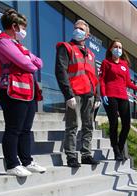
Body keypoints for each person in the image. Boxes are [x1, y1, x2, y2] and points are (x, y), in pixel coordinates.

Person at [0, 8, 46, 177]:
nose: (24, 31)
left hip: (27, 91)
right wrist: (28, 59)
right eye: (22, 27)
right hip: (11, 90)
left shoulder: (18, 45)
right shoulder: (1, 42)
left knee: (26, 129)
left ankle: (27, 161)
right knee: (13, 128)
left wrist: (28, 57)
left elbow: (39, 63)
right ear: (14, 26)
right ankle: (12, 164)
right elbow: (28, 64)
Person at [55, 19, 100, 168]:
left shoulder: (91, 54)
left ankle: (86, 154)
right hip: (74, 93)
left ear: (87, 34)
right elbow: (61, 71)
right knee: (72, 126)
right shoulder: (66, 48)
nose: (77, 30)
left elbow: (95, 76)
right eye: (76, 28)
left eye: (81, 29)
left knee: (88, 126)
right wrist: (68, 95)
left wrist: (97, 96)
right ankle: (71, 156)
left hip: (89, 94)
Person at [99, 39, 137, 161]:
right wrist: (103, 94)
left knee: (126, 125)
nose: (118, 49)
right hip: (110, 96)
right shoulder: (106, 63)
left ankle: (120, 147)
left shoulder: (124, 65)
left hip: (123, 97)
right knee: (114, 124)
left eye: (120, 47)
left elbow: (127, 82)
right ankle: (116, 151)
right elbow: (101, 80)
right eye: (116, 47)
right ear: (111, 49)